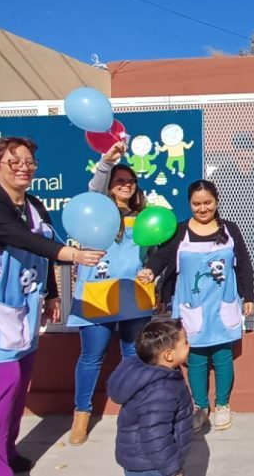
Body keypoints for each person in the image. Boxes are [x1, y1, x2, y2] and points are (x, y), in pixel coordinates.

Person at [0, 136, 104, 476]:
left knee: (19, 381)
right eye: (15, 162)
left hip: (20, 305)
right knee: (3, 383)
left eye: (29, 162)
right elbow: (20, 238)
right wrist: (72, 255)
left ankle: (5, 453)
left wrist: (52, 292)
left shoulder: (34, 205)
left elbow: (43, 246)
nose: (24, 168)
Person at [138, 179, 254, 432]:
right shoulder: (180, 231)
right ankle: (200, 407)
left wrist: (249, 297)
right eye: (196, 204)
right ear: (189, 204)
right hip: (191, 306)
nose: (202, 209)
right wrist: (150, 271)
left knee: (223, 357)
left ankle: (222, 405)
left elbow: (243, 263)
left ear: (216, 202)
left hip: (222, 305)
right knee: (196, 358)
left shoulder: (230, 230)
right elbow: (163, 256)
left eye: (207, 203)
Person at [65, 141, 156, 446]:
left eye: (130, 181)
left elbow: (154, 253)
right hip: (96, 293)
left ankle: (135, 411)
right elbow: (94, 188)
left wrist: (153, 271)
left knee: (134, 355)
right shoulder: (96, 211)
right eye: (119, 181)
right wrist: (107, 162)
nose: (126, 186)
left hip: (133, 293)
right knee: (92, 357)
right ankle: (81, 415)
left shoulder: (144, 216)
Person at [107, 318, 194, 476]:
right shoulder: (160, 391)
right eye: (185, 343)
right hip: (152, 466)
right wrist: (173, 469)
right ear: (168, 355)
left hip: (145, 460)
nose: (189, 346)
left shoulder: (159, 373)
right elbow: (156, 436)